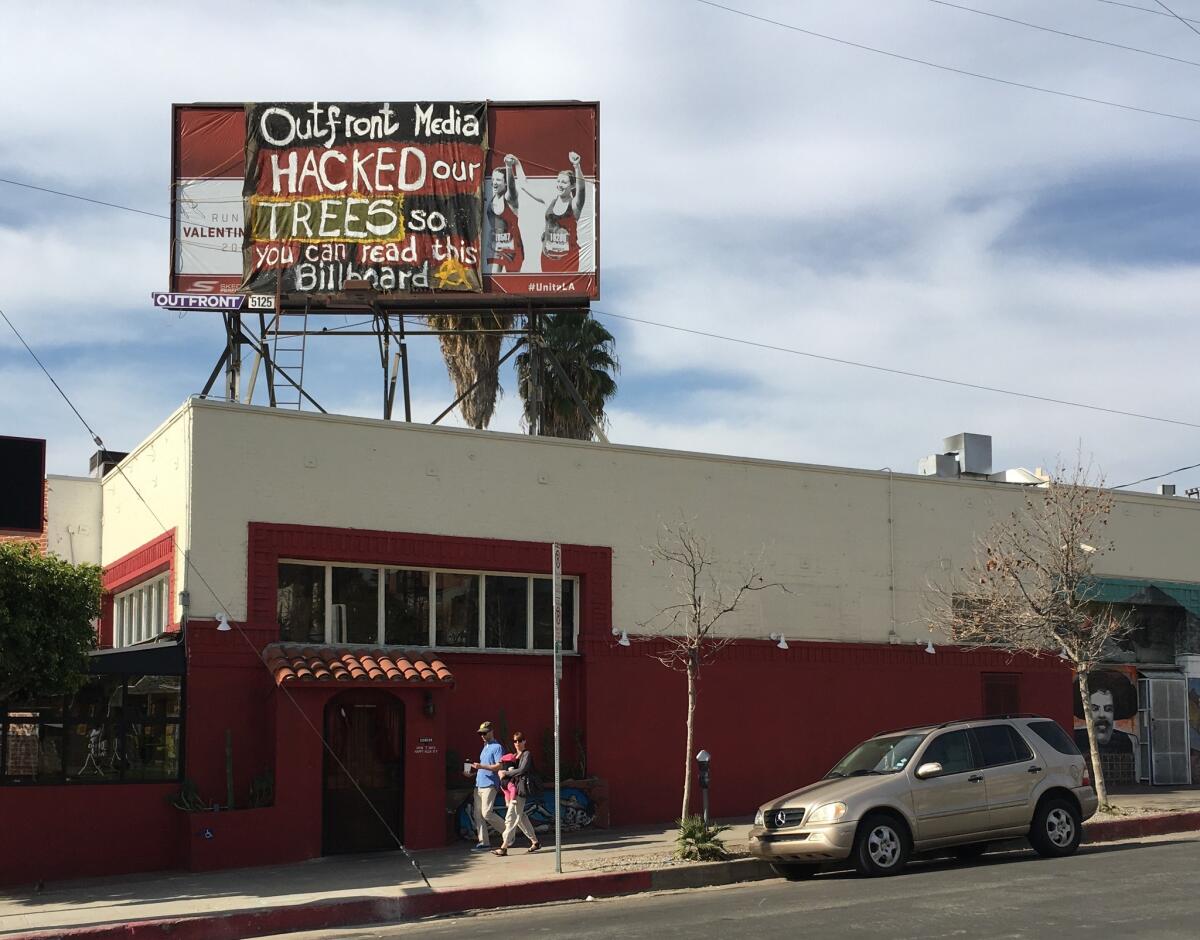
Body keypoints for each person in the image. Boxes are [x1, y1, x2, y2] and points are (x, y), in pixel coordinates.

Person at [493, 731, 541, 856]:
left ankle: (504, 847)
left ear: (525, 741)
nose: (518, 743)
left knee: (511, 817)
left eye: (520, 740)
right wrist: (501, 771)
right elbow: (502, 765)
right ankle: (535, 842)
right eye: (515, 741)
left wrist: (506, 773)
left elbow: (523, 769)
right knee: (521, 818)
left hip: (520, 790)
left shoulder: (526, 754)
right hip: (514, 789)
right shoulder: (514, 756)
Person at [1074, 670, 1138, 757]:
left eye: (1108, 709)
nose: (1102, 715)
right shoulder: (1076, 740)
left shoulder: (1125, 741)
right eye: (1095, 709)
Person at [540, 151, 585, 273]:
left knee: (567, 292)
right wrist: (515, 165)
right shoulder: (550, 200)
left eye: (564, 182)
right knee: (546, 290)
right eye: (558, 181)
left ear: (572, 186)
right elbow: (524, 185)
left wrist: (576, 166)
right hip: (547, 259)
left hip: (568, 262)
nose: (560, 185)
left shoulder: (575, 205)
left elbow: (581, 189)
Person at [466, 721, 506, 851]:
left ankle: (508, 833)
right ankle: (484, 843)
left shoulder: (497, 747)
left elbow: (499, 766)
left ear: (491, 732)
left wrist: (481, 766)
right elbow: (484, 767)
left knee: (487, 813)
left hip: (490, 784)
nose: (482, 735)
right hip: (479, 784)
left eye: (484, 733)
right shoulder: (485, 747)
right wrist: (472, 774)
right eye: (480, 734)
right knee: (478, 815)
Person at [486, 154, 525, 273]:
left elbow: (512, 188)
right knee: (495, 278)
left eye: (498, 180)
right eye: (493, 179)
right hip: (496, 246)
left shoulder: (509, 199)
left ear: (505, 182)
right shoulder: (492, 200)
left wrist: (508, 167)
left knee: (510, 283)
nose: (494, 183)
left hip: (513, 249)